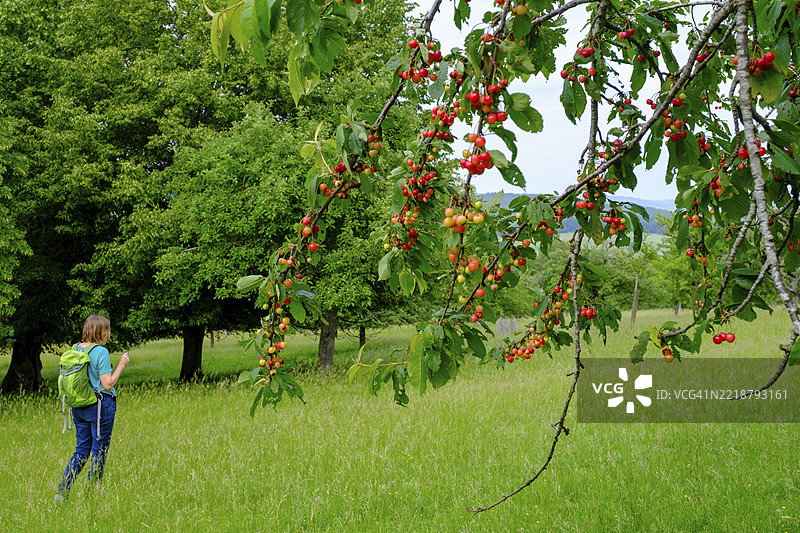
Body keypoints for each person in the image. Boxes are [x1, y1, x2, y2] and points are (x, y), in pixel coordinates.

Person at [55, 315, 130, 503]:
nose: (109, 333)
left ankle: (61, 493)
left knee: (81, 450)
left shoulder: (76, 348)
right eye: (108, 329)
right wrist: (121, 364)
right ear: (101, 331)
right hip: (100, 406)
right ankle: (92, 496)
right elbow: (107, 384)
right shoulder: (101, 352)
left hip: (79, 406)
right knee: (99, 451)